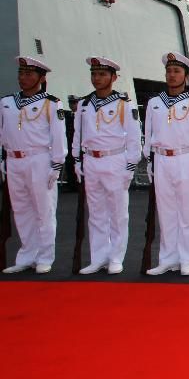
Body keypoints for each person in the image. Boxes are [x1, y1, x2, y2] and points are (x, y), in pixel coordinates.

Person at [143, 52, 189, 276]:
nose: (171, 75)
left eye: (177, 71)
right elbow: (148, 134)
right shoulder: (154, 103)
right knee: (166, 212)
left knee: (187, 212)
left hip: (186, 158)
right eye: (169, 71)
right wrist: (150, 161)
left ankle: (186, 259)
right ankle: (167, 259)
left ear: (186, 75)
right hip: (161, 159)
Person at [73, 57, 141, 275]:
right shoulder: (83, 105)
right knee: (96, 212)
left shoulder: (123, 104)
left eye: (102, 74)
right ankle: (98, 257)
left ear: (113, 78)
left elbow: (133, 137)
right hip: (91, 160)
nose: (97, 78)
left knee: (117, 212)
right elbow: (78, 134)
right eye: (94, 74)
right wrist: (76, 159)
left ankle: (116, 257)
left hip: (114, 160)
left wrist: (130, 166)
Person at [0, 56, 67, 274]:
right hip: (13, 159)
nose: (23, 78)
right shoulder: (6, 102)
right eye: (21, 73)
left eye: (29, 74)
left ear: (41, 77)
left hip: (39, 159)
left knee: (44, 210)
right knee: (21, 210)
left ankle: (45, 256)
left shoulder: (51, 103)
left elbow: (58, 136)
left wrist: (57, 164)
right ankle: (26, 255)